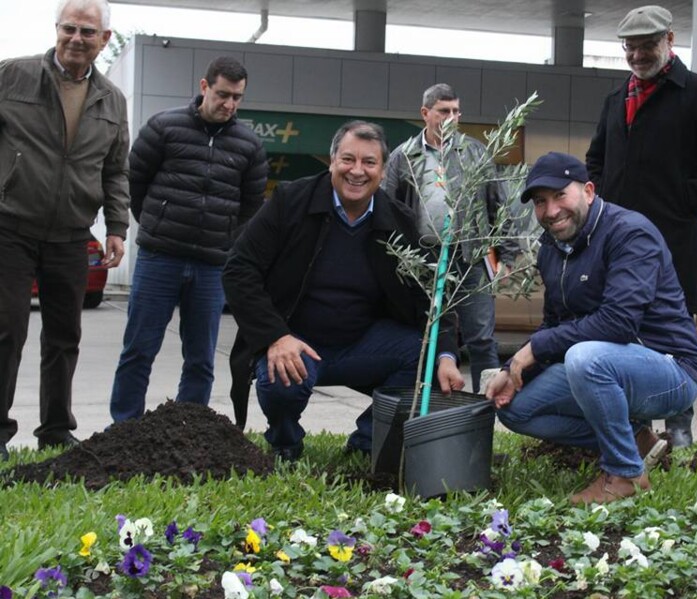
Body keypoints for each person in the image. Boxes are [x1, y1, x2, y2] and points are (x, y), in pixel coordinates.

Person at [223, 121, 464, 461]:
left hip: (363, 343)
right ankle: (285, 442)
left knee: (422, 356)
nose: (357, 171)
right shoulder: (290, 201)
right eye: (348, 159)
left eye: (369, 162)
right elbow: (239, 269)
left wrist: (446, 356)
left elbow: (432, 292)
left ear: (382, 170)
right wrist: (275, 336)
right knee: (279, 379)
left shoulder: (397, 219)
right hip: (297, 341)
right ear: (332, 160)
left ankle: (367, 442)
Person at [486, 152, 697, 505]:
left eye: (560, 195)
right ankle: (634, 440)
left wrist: (534, 349)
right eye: (541, 202)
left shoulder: (630, 233)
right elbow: (555, 323)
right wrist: (509, 369)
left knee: (584, 358)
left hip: (672, 369)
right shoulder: (552, 248)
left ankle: (624, 474)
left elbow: (618, 323)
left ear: (588, 191)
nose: (551, 210)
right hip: (604, 364)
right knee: (515, 408)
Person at [584, 5, 697, 447]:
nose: (637, 55)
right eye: (629, 48)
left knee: (672, 329)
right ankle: (638, 429)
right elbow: (596, 159)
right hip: (616, 241)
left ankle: (679, 424)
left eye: (646, 46)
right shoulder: (616, 101)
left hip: (674, 237)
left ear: (669, 40)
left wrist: (684, 203)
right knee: (622, 328)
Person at [0, 0, 130, 459]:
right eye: (69, 28)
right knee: (7, 329)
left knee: (64, 335)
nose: (77, 38)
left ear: (104, 40)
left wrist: (117, 225)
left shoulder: (112, 99)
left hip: (73, 233)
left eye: (87, 32)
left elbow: (115, 170)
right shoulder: (12, 75)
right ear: (57, 30)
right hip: (10, 226)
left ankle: (56, 428)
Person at [108, 57, 268, 423]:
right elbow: (135, 183)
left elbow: (250, 205)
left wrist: (224, 237)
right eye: (223, 94)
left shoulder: (249, 146)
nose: (229, 104)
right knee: (138, 349)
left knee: (200, 357)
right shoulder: (164, 127)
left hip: (212, 265)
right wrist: (156, 223)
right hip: (158, 258)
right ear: (204, 87)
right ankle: (123, 426)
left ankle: (189, 426)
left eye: (237, 98)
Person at [383, 83, 518, 394]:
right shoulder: (403, 157)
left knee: (481, 337)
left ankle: (486, 413)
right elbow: (388, 209)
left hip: (470, 257)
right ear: (425, 113)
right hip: (423, 259)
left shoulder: (474, 152)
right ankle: (430, 408)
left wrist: (508, 257)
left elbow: (499, 205)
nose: (452, 117)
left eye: (456, 111)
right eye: (444, 111)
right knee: (429, 335)